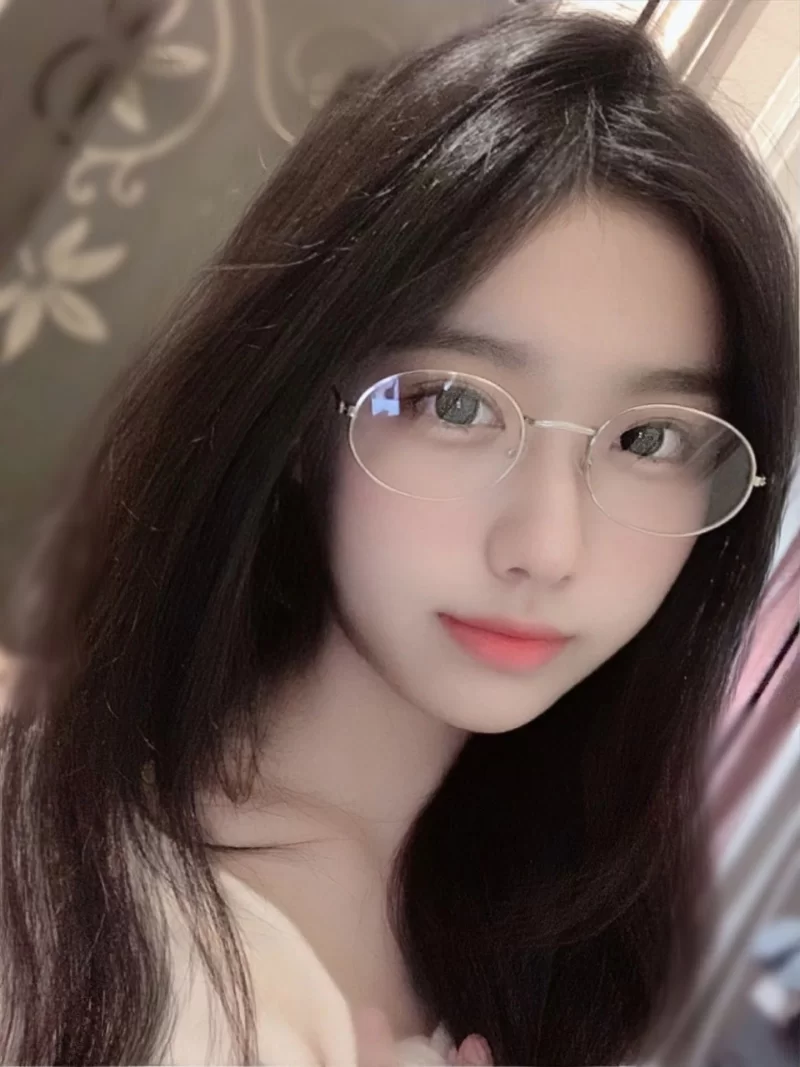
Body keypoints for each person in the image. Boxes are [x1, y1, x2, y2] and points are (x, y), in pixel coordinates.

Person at [0, 7, 797, 1066]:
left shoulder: (562, 949)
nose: (546, 546)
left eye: (648, 438)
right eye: (454, 404)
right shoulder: (59, 898)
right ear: (298, 418)